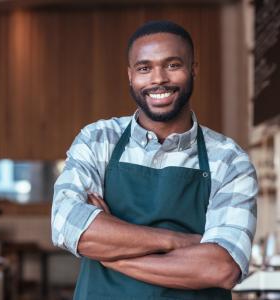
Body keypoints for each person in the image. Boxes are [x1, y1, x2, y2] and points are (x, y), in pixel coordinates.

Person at [51, 20, 257, 300]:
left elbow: (221, 268)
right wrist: (177, 241)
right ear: (130, 75)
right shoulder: (98, 140)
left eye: (172, 65)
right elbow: (69, 227)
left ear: (193, 68)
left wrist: (111, 254)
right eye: (144, 68)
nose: (158, 79)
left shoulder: (230, 160)